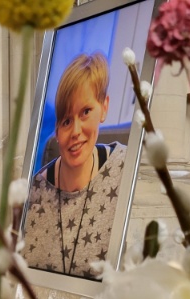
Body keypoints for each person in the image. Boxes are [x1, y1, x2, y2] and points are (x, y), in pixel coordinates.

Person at [22, 52, 127, 279]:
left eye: (86, 112)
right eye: (67, 121)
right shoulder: (33, 194)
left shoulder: (124, 169)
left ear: (104, 107)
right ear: (57, 130)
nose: (76, 131)